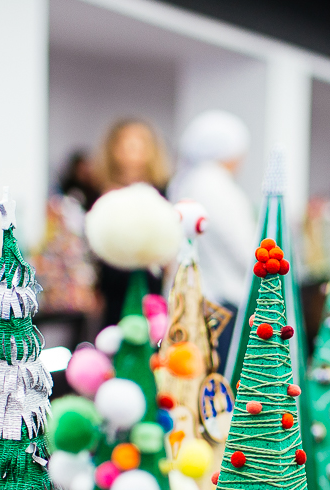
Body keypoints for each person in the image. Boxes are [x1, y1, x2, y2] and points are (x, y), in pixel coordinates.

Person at [168, 109, 257, 374]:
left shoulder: (188, 181)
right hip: (222, 303)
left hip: (196, 298)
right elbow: (243, 249)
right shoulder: (217, 186)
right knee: (219, 381)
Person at [91, 119, 171, 328]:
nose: (132, 151)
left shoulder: (161, 194)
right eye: (125, 144)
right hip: (112, 284)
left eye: (139, 143)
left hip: (150, 280)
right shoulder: (101, 194)